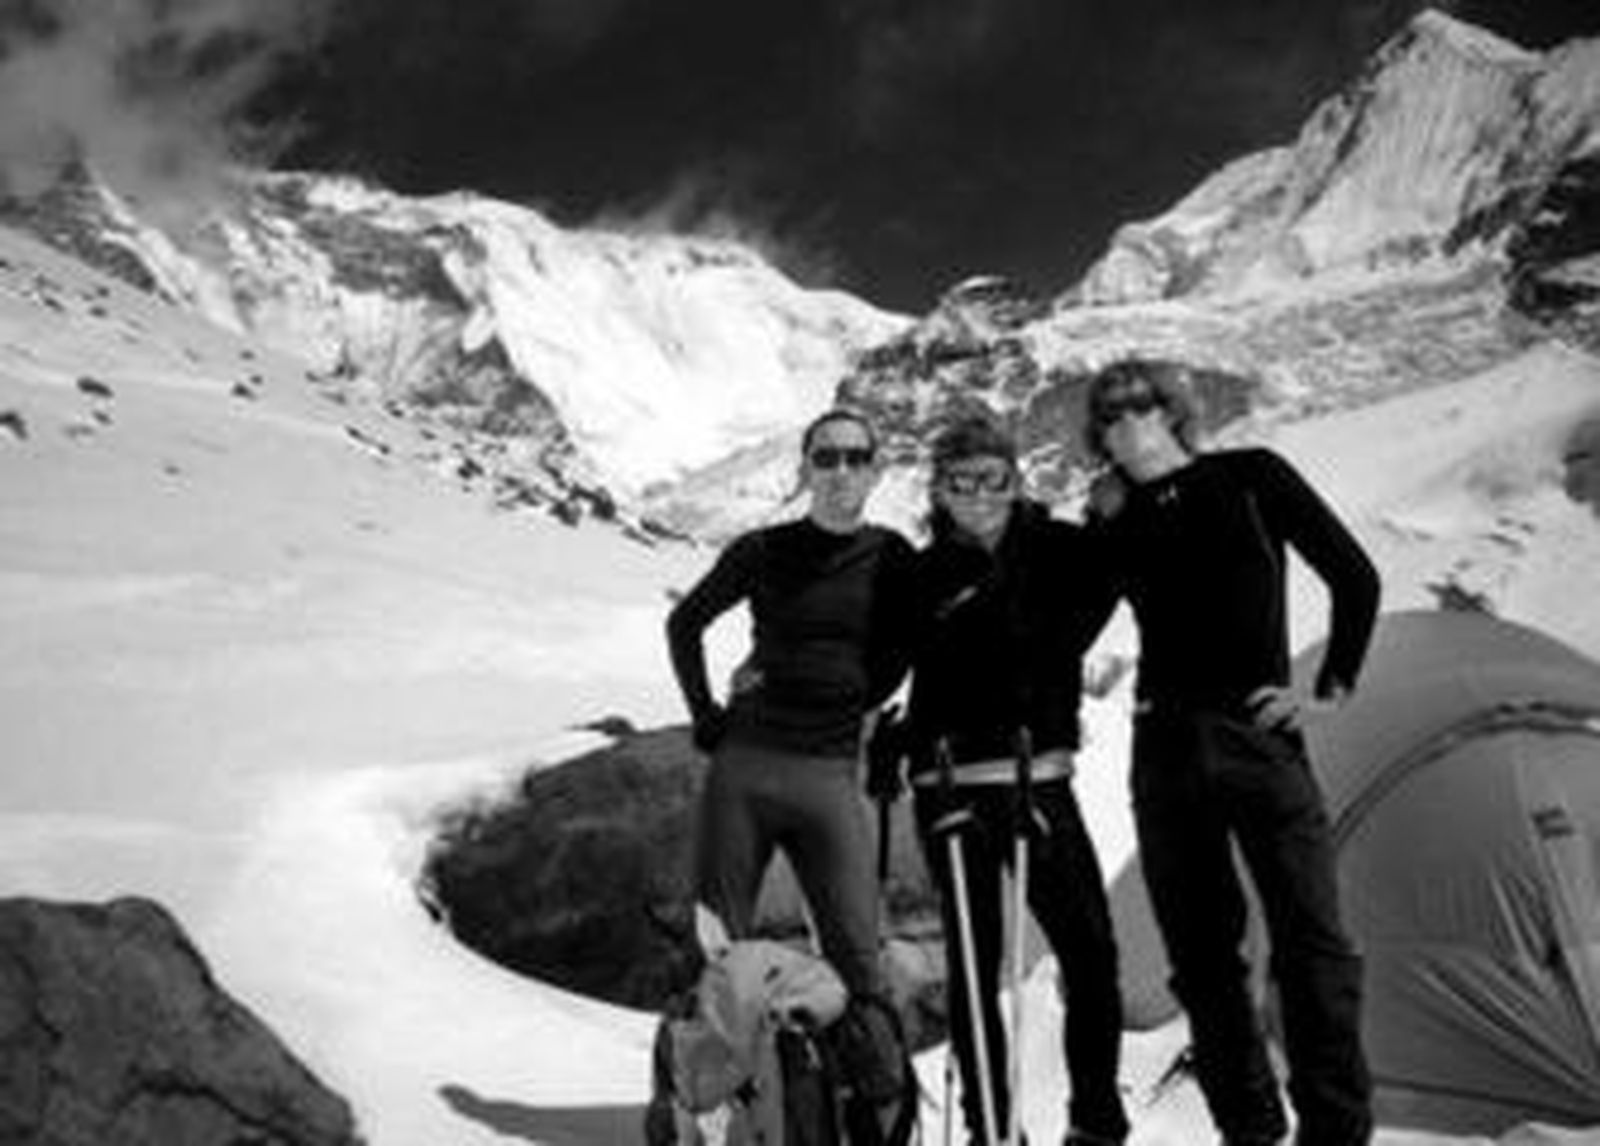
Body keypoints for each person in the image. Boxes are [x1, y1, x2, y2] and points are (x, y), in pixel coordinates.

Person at [1082, 359, 1382, 1146]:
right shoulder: (1116, 516)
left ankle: (1337, 1132)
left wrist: (1328, 692)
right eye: (1107, 415)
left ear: (1172, 409)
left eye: (1138, 403)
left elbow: (1355, 578)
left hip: (1258, 738)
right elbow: (1066, 622)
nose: (1125, 420)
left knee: (1314, 945)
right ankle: (1248, 1130)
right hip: (1164, 749)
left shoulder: (1251, 476)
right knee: (1202, 962)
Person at [876, 414, 1129, 1146]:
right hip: (948, 788)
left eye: (992, 478)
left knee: (1090, 954)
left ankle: (1096, 1123)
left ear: (1016, 481)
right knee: (975, 966)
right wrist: (886, 732)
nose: (978, 494)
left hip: (1039, 780)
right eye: (961, 481)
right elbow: (883, 667)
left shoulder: (1062, 551)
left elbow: (1109, 587)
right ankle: (993, 1130)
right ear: (940, 490)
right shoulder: (920, 576)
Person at [664, 406, 916, 1123]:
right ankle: (698, 1113)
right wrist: (708, 717)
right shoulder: (762, 550)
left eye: (855, 457)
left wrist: (870, 700)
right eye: (826, 457)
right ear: (804, 468)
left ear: (876, 469)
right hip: (746, 771)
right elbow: (685, 624)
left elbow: (917, 641)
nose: (840, 471)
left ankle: (863, 1117)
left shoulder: (891, 556)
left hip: (829, 775)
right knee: (716, 951)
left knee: (861, 960)